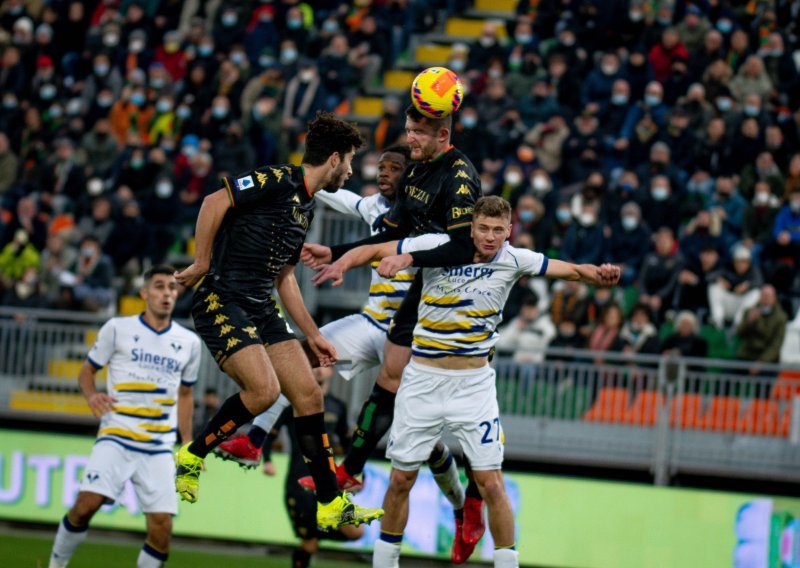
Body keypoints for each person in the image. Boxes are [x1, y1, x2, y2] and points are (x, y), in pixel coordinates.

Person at [318, 196, 619, 568]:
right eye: (483, 229)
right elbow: (378, 247)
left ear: (509, 231)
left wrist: (599, 275)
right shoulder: (436, 246)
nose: (490, 237)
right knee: (400, 482)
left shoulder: (514, 259)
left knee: (492, 483)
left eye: (498, 230)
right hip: (423, 380)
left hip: (473, 386)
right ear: (471, 227)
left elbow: (571, 271)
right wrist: (341, 259)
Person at [214, 144, 478, 564]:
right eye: (382, 167)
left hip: (417, 336)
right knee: (297, 357)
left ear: (414, 178)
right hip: (374, 323)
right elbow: (330, 192)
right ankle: (256, 438)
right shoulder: (374, 206)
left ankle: (462, 505)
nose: (385, 173)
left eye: (396, 168)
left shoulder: (433, 218)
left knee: (423, 443)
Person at [172, 112, 382, 530]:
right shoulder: (278, 178)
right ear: (335, 159)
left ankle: (329, 503)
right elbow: (215, 200)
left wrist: (313, 335)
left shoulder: (305, 205)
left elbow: (285, 278)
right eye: (351, 162)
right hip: (222, 297)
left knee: (309, 395)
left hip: (261, 306)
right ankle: (193, 454)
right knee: (265, 391)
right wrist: (201, 260)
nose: (353, 172)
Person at [300, 105, 482, 498]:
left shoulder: (461, 177)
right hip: (417, 299)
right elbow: (390, 236)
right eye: (408, 129)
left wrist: (407, 257)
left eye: (417, 131)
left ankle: (471, 501)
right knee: (391, 391)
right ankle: (350, 470)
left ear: (442, 137)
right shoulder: (415, 174)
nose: (409, 138)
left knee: (443, 428)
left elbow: (463, 246)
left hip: (457, 308)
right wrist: (338, 254)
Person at [48, 266, 201, 568]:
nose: (166, 293)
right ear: (145, 293)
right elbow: (86, 371)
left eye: (172, 288)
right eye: (159, 286)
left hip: (158, 445)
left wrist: (188, 445)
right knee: (84, 508)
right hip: (116, 435)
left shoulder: (190, 343)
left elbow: (185, 396)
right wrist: (92, 394)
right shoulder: (117, 328)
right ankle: (56, 565)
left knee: (162, 528)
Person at [261, 367, 365, 568]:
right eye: (313, 364)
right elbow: (269, 435)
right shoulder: (294, 405)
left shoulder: (337, 406)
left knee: (356, 532)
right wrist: (267, 460)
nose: (318, 370)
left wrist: (356, 471)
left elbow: (349, 443)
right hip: (300, 484)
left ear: (331, 371)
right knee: (309, 545)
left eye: (323, 365)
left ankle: (320, 528)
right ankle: (316, 532)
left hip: (330, 485)